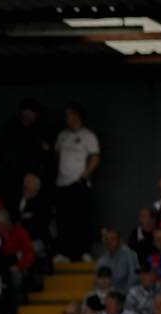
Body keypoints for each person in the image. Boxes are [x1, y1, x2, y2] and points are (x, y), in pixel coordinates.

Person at [52, 103, 100, 262]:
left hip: (79, 183)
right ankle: (63, 253)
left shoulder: (88, 136)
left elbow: (95, 157)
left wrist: (83, 175)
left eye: (68, 115)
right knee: (63, 219)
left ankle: (84, 251)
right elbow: (57, 156)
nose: (66, 118)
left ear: (76, 115)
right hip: (62, 183)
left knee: (81, 219)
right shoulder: (62, 136)